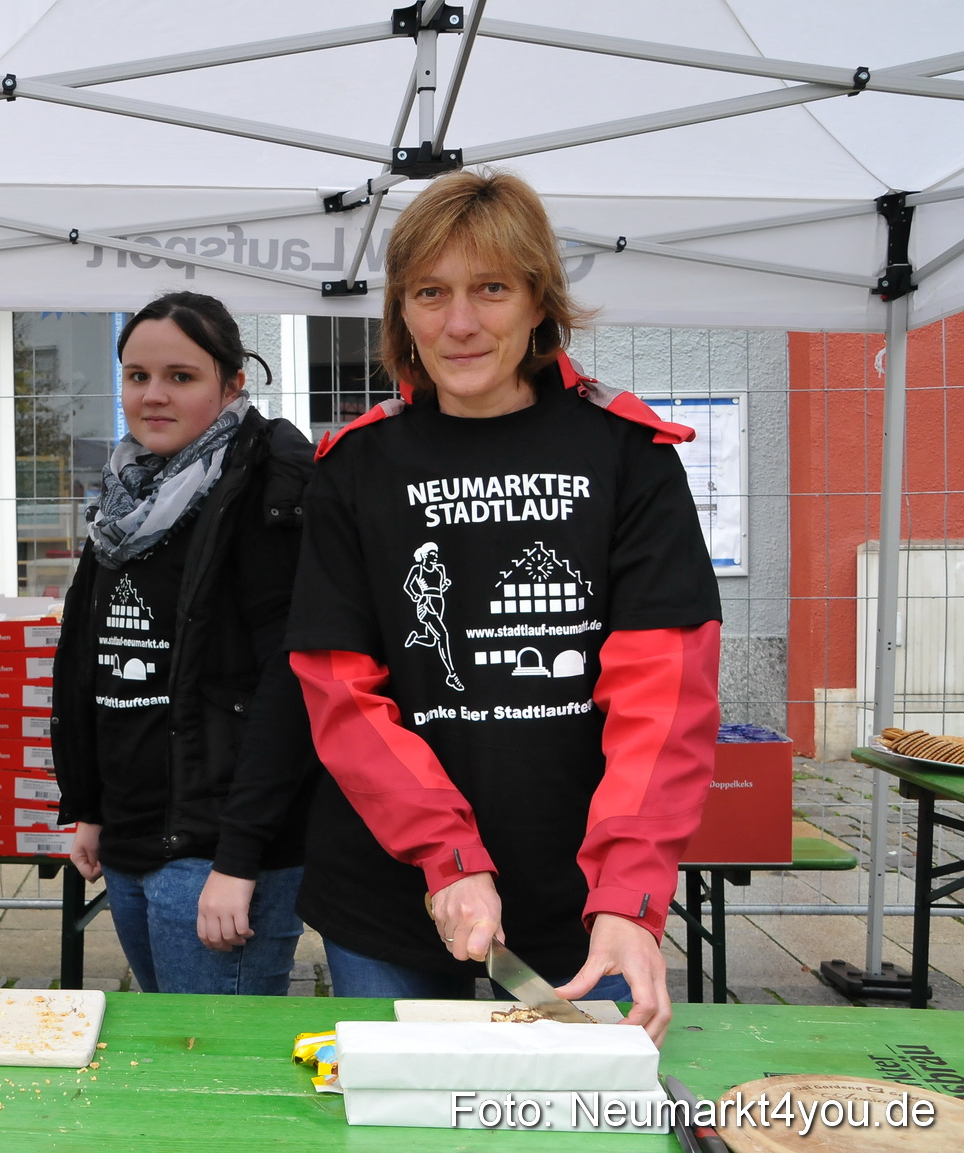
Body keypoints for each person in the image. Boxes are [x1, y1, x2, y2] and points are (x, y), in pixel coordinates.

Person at [285, 170, 721, 1044]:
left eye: (490, 288)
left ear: (537, 301)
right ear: (400, 312)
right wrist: (445, 855)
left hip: (581, 902)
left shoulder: (625, 454)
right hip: (393, 889)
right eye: (429, 292)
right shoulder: (354, 468)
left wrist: (630, 895)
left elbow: (663, 695)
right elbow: (338, 689)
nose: (459, 322)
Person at [52, 291, 320, 995]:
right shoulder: (126, 494)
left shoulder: (270, 493)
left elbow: (287, 690)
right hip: (133, 833)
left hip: (216, 853)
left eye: (180, 376)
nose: (153, 395)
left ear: (231, 383)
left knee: (210, 1069)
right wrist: (90, 807)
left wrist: (239, 860)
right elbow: (96, 655)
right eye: (137, 376)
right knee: (170, 1045)